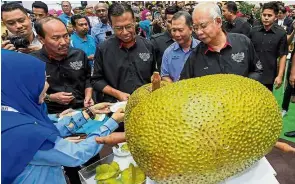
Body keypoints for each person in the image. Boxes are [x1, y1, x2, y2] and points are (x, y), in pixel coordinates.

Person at [1, 49, 126, 184]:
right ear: (20, 84)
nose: (48, 85)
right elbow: (77, 154)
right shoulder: (22, 133)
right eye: (42, 80)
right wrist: (112, 122)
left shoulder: (13, 113)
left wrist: (89, 113)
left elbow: (50, 129)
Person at [91, 2, 157, 103]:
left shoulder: (148, 45)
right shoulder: (103, 49)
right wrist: (117, 94)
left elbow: (154, 73)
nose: (125, 32)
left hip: (146, 103)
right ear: (110, 24)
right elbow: (96, 81)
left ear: (134, 21)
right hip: (117, 105)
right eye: (119, 28)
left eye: (129, 26)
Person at [180, 2, 263, 81]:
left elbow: (257, 71)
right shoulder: (195, 55)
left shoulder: (243, 42)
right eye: (195, 28)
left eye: (203, 26)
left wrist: (243, 84)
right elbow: (184, 84)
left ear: (218, 22)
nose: (199, 32)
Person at [31, 16, 93, 114]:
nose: (64, 42)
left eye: (66, 36)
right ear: (41, 39)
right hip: (51, 114)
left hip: (82, 110)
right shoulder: (33, 61)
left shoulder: (79, 54)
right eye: (55, 38)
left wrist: (88, 95)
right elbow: (30, 92)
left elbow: (88, 79)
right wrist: (50, 98)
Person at [250, 2, 288, 92]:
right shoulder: (253, 31)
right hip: (252, 74)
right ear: (261, 15)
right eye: (264, 15)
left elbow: (283, 55)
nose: (266, 17)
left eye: (269, 15)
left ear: (275, 17)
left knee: (265, 103)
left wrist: (280, 76)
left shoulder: (281, 33)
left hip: (269, 76)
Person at [161, 11, 200, 82]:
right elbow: (165, 75)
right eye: (174, 30)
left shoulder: (201, 49)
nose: (177, 34)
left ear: (191, 29)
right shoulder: (168, 52)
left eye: (180, 30)